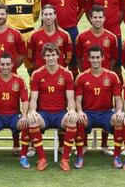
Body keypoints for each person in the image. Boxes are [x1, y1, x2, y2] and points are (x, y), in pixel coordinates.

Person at [26, 43, 77, 171]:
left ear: (59, 56)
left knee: (72, 119)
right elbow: (33, 98)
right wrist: (32, 111)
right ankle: (42, 159)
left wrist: (71, 110)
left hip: (60, 114)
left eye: (53, 55)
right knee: (32, 121)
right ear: (44, 57)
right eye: (48, 55)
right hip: (44, 115)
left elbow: (70, 98)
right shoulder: (37, 74)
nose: (51, 58)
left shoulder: (66, 74)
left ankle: (65, 160)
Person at [76, 5, 118, 152]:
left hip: (106, 78)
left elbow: (113, 58)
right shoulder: (82, 37)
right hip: (87, 78)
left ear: (104, 18)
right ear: (90, 18)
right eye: (95, 17)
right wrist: (84, 72)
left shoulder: (111, 37)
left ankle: (105, 144)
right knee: (88, 106)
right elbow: (79, 57)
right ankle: (85, 144)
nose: (98, 20)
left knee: (105, 105)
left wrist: (106, 71)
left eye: (100, 17)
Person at [74, 45, 125, 169]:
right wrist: (79, 111)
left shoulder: (112, 76)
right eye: (93, 58)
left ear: (102, 58)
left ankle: (117, 156)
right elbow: (78, 100)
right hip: (88, 113)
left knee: (118, 120)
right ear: (88, 59)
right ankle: (80, 156)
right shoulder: (81, 77)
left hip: (106, 113)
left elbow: (118, 99)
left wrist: (118, 111)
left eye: (98, 57)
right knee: (79, 121)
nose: (95, 60)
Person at [41, 0, 85, 78]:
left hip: (71, 30)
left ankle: (74, 91)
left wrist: (74, 20)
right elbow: (44, 8)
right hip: (53, 31)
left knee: (73, 63)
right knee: (52, 60)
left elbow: (82, 7)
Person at [86, 0, 125, 83]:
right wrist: (98, 26)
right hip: (97, 35)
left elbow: (122, 11)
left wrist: (114, 24)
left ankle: (119, 97)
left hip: (115, 33)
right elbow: (88, 13)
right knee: (97, 65)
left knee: (117, 67)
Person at [0, 0, 40, 74]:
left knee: (31, 66)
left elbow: (36, 15)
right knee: (8, 64)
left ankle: (32, 90)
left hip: (28, 34)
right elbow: (1, 16)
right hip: (11, 35)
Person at [27, 4, 72, 71]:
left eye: (50, 14)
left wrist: (62, 66)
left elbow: (68, 55)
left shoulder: (64, 35)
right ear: (41, 16)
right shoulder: (34, 35)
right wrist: (38, 66)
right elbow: (30, 56)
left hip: (58, 74)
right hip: (40, 74)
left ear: (55, 16)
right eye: (45, 14)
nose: (48, 17)